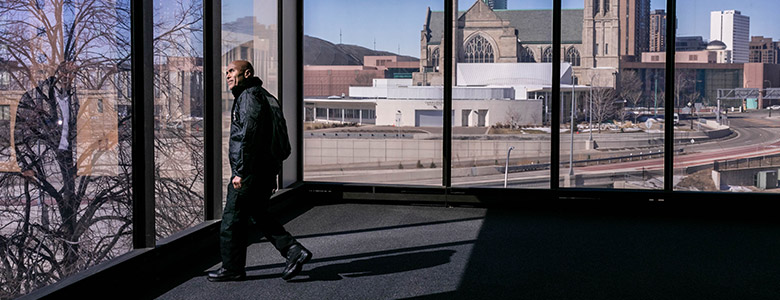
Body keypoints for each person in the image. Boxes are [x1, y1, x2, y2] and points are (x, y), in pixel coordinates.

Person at [208, 60, 311, 282]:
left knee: (231, 221)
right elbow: (273, 139)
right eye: (226, 71)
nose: (227, 75)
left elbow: (249, 137)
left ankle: (232, 268)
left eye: (232, 71)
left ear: (247, 73)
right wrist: (273, 172)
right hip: (264, 170)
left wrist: (240, 172)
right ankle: (293, 251)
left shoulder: (248, 97)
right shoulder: (266, 96)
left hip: (250, 172)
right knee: (258, 214)